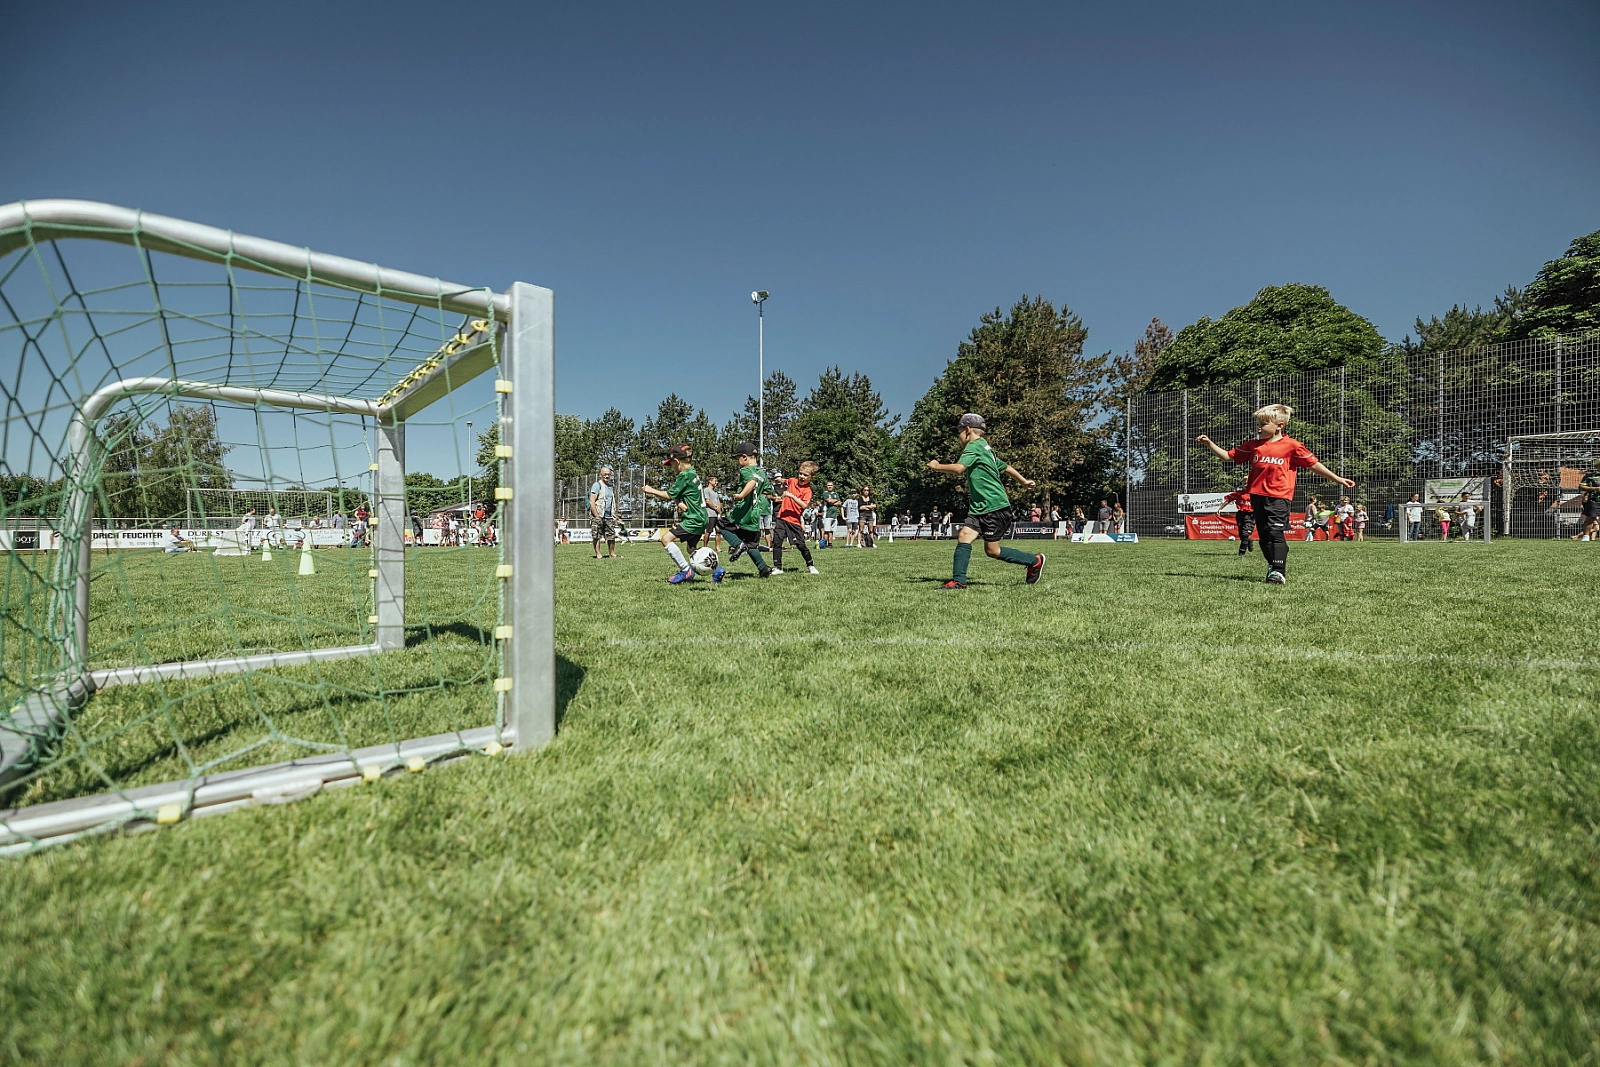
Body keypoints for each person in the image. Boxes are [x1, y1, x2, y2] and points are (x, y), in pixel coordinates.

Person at [1195, 403, 1355, 585]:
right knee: (1264, 537)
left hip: (1279, 497)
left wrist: (1337, 478)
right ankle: (1273, 565)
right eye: (1258, 424)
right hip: (1256, 497)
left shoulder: (1292, 446)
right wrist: (1209, 443)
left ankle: (1278, 571)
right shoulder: (1254, 446)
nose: (1258, 428)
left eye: (1263, 424)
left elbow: (1313, 465)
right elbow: (1227, 456)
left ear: (1280, 425)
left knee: (1275, 531)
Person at [927, 413, 1046, 589]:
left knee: (993, 551)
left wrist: (937, 466)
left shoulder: (973, 447)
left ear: (968, 430)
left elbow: (959, 468)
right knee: (964, 536)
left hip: (994, 506)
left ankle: (1034, 561)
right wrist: (1023, 481)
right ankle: (959, 581)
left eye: (959, 431)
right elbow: (1005, 467)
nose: (959, 436)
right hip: (980, 507)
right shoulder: (985, 448)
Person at [641, 445, 709, 584]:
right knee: (691, 549)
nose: (671, 468)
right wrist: (680, 503)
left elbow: (669, 495)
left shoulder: (684, 475)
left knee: (665, 539)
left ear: (677, 461)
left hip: (694, 519)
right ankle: (717, 569)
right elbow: (680, 495)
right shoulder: (692, 473)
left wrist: (650, 490)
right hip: (701, 517)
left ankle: (685, 570)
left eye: (671, 464)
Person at [717, 441, 772, 579]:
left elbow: (752, 482)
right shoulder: (762, 473)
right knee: (751, 544)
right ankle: (763, 568)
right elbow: (768, 491)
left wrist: (741, 495)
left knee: (720, 525)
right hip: (755, 514)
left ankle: (738, 544)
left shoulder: (746, 470)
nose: (738, 462)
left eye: (738, 459)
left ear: (745, 457)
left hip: (742, 513)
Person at [770, 461, 821, 575]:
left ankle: (810, 565)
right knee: (777, 541)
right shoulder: (792, 481)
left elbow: (804, 505)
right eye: (800, 473)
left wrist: (791, 496)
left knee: (800, 545)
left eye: (805, 475)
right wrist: (777, 479)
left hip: (794, 521)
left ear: (811, 478)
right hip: (781, 517)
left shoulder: (807, 491)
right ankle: (778, 567)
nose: (802, 476)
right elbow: (783, 480)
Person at [589, 466, 621, 559]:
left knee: (611, 535)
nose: (607, 476)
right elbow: (592, 501)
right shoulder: (597, 485)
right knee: (596, 535)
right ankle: (598, 554)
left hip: (609, 516)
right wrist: (596, 515)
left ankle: (612, 553)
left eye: (608, 474)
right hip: (598, 515)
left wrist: (614, 514)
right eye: (605, 474)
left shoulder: (610, 486)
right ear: (601, 475)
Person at [1220, 486, 1254, 554]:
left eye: (1247, 483)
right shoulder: (1239, 493)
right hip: (1241, 514)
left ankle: (1241, 552)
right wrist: (1220, 509)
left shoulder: (1255, 494)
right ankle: (1249, 540)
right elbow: (1228, 500)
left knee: (1245, 534)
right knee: (1241, 535)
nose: (1246, 485)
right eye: (1244, 483)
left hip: (1251, 515)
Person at [1579, 462, 1600, 542]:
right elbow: (1581, 486)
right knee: (1591, 518)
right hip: (1594, 500)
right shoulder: (1590, 476)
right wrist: (1595, 489)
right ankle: (1586, 536)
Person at [819, 481, 842, 547]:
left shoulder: (835, 493)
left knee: (832, 530)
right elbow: (829, 501)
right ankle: (825, 544)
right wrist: (835, 500)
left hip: (834, 515)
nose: (830, 486)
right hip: (827, 514)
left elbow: (840, 502)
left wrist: (833, 501)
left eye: (831, 485)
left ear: (833, 486)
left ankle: (830, 544)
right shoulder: (825, 493)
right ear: (826, 486)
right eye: (828, 485)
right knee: (827, 530)